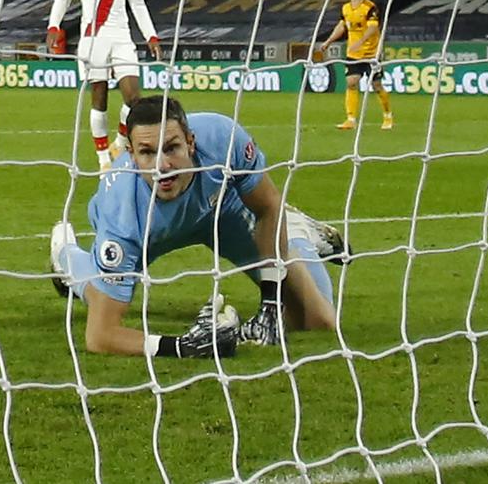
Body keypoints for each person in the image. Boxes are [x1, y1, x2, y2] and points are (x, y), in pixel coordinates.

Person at [48, 95, 347, 358]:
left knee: (318, 320)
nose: (161, 165)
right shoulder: (121, 215)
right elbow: (100, 336)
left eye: (172, 148)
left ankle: (299, 234)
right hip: (149, 236)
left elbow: (268, 205)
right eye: (147, 153)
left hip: (222, 213)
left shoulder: (222, 137)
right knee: (98, 297)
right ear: (131, 154)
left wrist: (270, 304)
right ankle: (65, 254)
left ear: (191, 142)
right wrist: (183, 346)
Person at [47, 0, 162, 173]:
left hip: (122, 37)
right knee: (99, 98)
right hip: (92, 38)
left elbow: (139, 4)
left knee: (134, 98)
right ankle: (103, 159)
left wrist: (151, 36)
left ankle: (120, 142)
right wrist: (54, 26)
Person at [318, 0, 393, 131]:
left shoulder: (369, 7)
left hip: (371, 54)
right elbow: (341, 27)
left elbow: (373, 28)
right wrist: (328, 41)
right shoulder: (345, 8)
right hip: (353, 55)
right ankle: (350, 119)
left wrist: (361, 41)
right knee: (351, 82)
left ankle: (387, 115)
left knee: (377, 85)